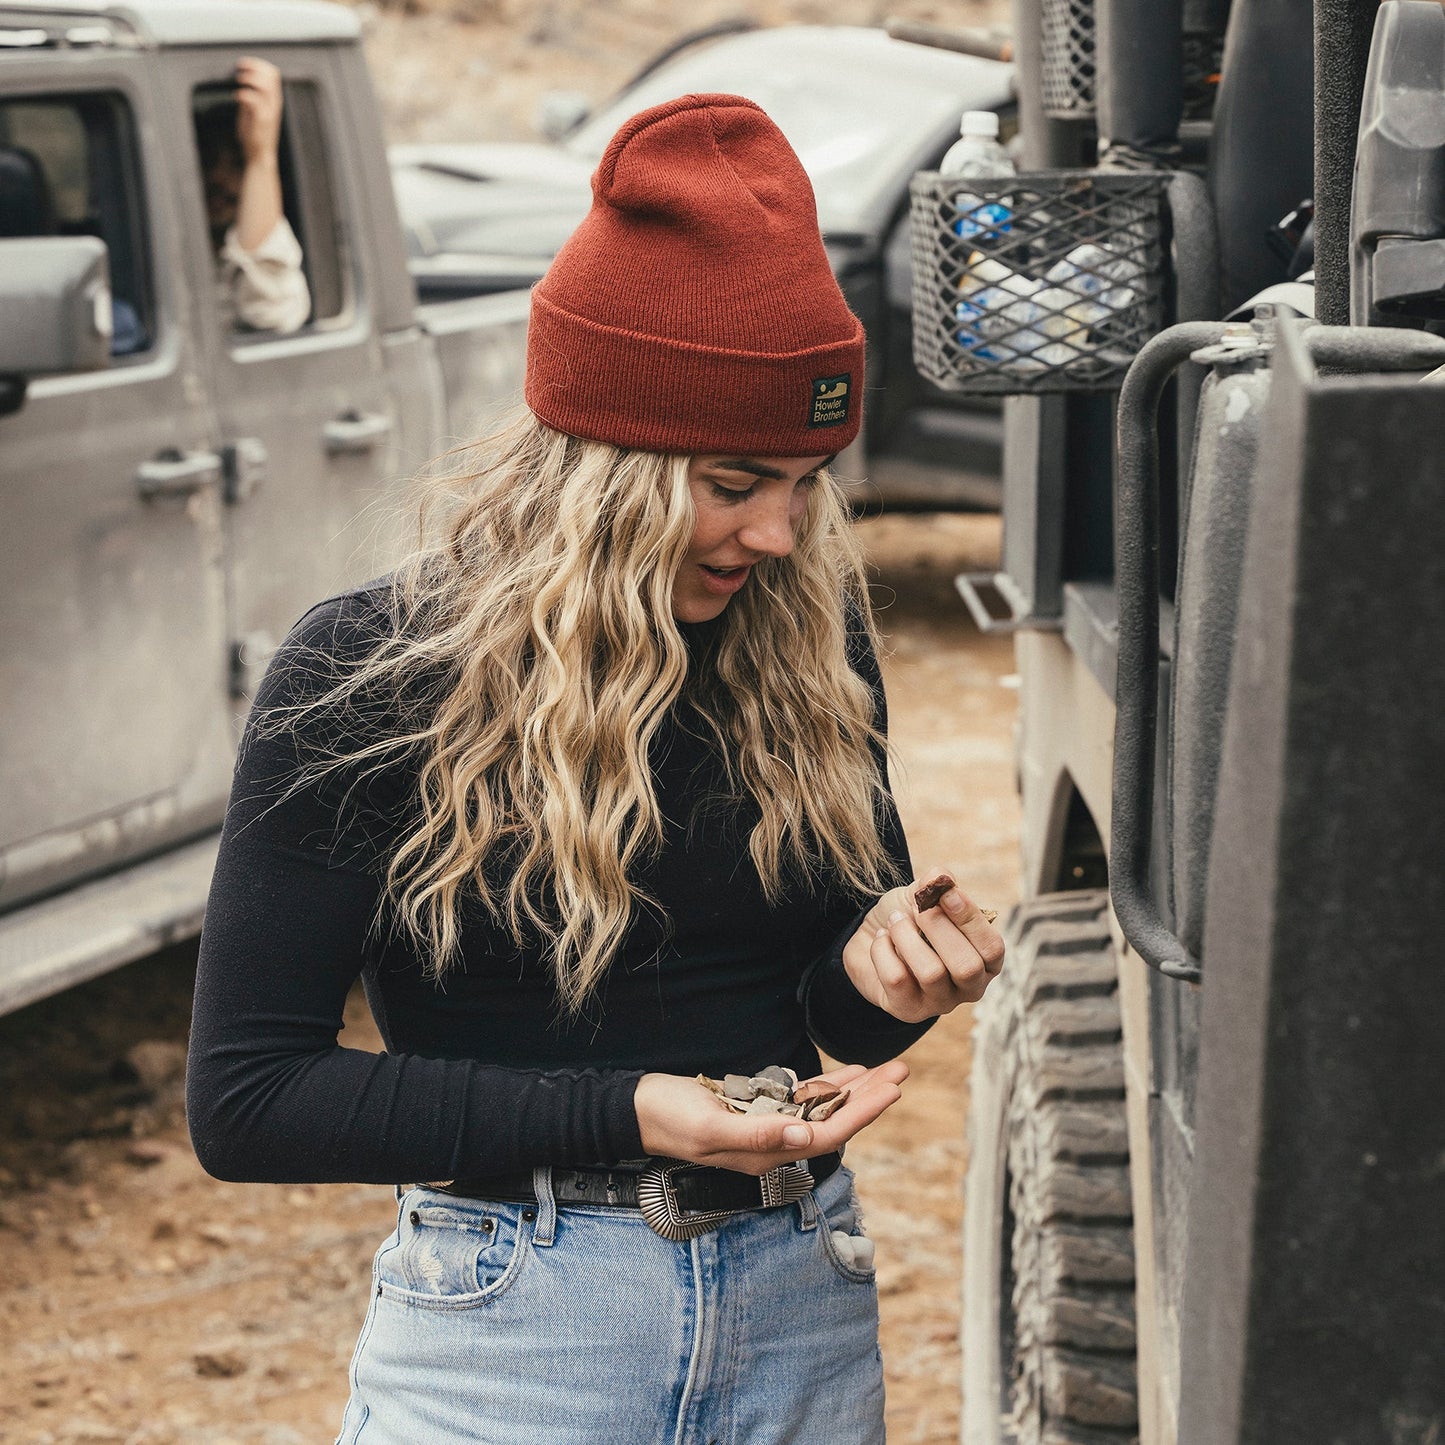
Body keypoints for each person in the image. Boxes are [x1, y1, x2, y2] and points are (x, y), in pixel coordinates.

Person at [186, 93, 1004, 1444]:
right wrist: (634, 1113)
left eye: (809, 480)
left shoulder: (805, 642)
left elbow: (820, 1013)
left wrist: (882, 980)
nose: (784, 533)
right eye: (735, 479)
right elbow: (252, 1100)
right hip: (512, 1324)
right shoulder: (374, 673)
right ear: (599, 462)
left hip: (799, 1299)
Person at [194, 56, 310, 335]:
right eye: (208, 162)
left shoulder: (274, 273)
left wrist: (259, 158)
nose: (217, 179)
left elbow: (269, 311)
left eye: (236, 165)